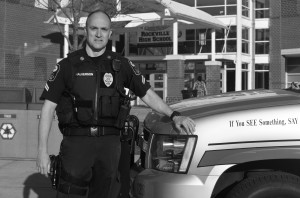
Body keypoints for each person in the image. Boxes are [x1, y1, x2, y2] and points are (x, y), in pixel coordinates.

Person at [36, 10, 196, 198]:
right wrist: (42, 151)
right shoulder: (67, 66)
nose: (98, 34)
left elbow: (147, 95)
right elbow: (48, 108)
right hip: (76, 146)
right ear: (85, 31)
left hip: (109, 147)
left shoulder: (121, 65)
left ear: (110, 33)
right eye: (94, 28)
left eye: (103, 29)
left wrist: (174, 115)